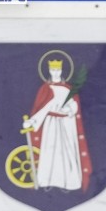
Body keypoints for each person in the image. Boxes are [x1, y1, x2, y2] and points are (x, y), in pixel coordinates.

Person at [22, 58, 91, 192]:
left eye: (57, 69)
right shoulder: (45, 88)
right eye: (53, 69)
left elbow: (74, 105)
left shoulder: (68, 89)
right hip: (51, 124)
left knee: (68, 152)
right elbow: (42, 109)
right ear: (49, 70)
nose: (55, 72)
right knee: (49, 152)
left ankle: (69, 183)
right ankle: (48, 180)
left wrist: (69, 110)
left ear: (61, 70)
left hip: (67, 124)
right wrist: (32, 121)